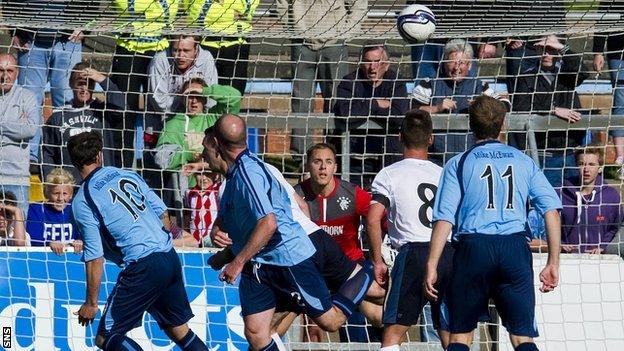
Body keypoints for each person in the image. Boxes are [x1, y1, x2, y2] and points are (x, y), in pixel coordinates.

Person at [202, 114, 374, 350]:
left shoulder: (248, 173)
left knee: (331, 322)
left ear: (216, 144)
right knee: (256, 332)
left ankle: (367, 271)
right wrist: (224, 253)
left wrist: (237, 262)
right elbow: (245, 224)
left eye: (204, 148)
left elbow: (268, 223)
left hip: (289, 258)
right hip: (263, 262)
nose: (202, 155)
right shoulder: (233, 178)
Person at [424, 96, 562, 351]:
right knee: (522, 338)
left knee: (460, 336)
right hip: (514, 248)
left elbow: (444, 217)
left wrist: (432, 264)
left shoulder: (459, 162)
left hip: (473, 248)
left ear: (470, 125)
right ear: (503, 125)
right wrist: (553, 262)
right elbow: (551, 211)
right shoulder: (524, 161)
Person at [69, 131, 208, 351]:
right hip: (168, 257)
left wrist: (91, 303)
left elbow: (95, 257)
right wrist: (170, 238)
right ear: (99, 156)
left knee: (106, 338)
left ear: (74, 161)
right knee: (178, 328)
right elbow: (163, 214)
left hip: (142, 266)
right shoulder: (127, 174)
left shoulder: (82, 201)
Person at [366, 109, 453, 349]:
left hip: (413, 254)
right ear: (431, 139)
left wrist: (377, 261)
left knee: (392, 335)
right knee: (449, 334)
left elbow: (373, 219)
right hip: (446, 252)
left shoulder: (389, 174)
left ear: (399, 138)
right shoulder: (445, 173)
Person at [295, 142, 381, 342]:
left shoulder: (352, 194)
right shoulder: (296, 195)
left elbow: (378, 220)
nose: (323, 167)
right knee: (300, 326)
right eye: (317, 162)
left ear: (335, 167)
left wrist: (381, 252)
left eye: (328, 162)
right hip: (314, 271)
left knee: (365, 319)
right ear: (308, 165)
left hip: (349, 270)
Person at [275, 0, 366, 157]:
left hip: (334, 44)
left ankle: (334, 153)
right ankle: (302, 158)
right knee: (301, 102)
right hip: (302, 42)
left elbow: (359, 4)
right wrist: (294, 28)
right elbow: (282, 3)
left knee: (337, 101)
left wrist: (345, 33)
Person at [411, 39, 510, 165]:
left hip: (471, 159)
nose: (456, 67)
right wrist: (436, 108)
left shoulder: (479, 86)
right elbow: (411, 109)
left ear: (469, 65)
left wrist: (482, 105)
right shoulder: (429, 83)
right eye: (452, 62)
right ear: (444, 63)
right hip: (436, 160)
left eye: (462, 63)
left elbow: (505, 104)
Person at [511, 35, 590, 188]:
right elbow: (521, 108)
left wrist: (562, 48)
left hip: (570, 152)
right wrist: (553, 110)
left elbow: (584, 72)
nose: (546, 54)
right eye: (543, 49)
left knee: (573, 202)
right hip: (544, 153)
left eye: (551, 49)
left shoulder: (567, 75)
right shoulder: (526, 76)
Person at [111, 0, 179, 168]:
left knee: (160, 110)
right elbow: (124, 6)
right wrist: (152, 8)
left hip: (159, 50)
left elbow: (170, 10)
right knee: (124, 112)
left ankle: (157, 167)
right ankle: (122, 168)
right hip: (128, 49)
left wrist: (145, 10)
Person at [333, 44, 409, 188]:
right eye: (368, 61)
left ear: (386, 65)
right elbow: (345, 113)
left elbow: (398, 117)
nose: (372, 67)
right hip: (355, 157)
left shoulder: (396, 82)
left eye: (377, 61)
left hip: (387, 158)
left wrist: (363, 108)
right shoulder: (349, 81)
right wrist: (375, 104)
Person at [42, 62, 124, 181]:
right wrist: (52, 181)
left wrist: (102, 79)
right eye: (80, 83)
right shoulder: (58, 116)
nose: (84, 88)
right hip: (70, 186)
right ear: (71, 84)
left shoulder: (103, 111)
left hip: (101, 182)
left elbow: (122, 107)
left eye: (89, 83)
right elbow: (47, 153)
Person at [154, 78, 241, 187]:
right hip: (187, 190)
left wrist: (206, 91)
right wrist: (187, 154)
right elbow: (161, 159)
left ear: (205, 99)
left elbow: (235, 97)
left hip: (219, 187)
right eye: (189, 96)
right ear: (182, 99)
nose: (194, 101)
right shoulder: (174, 125)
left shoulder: (214, 118)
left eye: (198, 96)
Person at [183, 0, 259, 95]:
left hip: (237, 44)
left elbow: (247, 8)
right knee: (197, 95)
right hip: (205, 44)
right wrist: (230, 14)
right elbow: (196, 11)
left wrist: (218, 11)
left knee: (232, 99)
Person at [559, 145, 623, 254]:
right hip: (567, 258)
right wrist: (559, 244)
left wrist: (604, 246)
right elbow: (547, 225)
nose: (586, 169)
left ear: (600, 168)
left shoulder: (611, 196)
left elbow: (617, 227)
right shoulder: (560, 192)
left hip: (600, 260)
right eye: (581, 164)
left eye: (591, 164)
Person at [0, 53, 41, 218]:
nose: (5, 76)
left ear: (17, 73)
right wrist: (16, 126)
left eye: (10, 70)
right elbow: (24, 129)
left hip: (17, 177)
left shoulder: (27, 97)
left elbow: (31, 129)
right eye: (0, 70)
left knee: (19, 233)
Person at [148, 35, 218, 114]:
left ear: (196, 49)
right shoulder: (160, 60)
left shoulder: (206, 59)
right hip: (163, 117)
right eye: (176, 50)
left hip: (199, 116)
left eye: (186, 51)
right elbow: (159, 101)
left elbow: (211, 99)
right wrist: (186, 103)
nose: (180, 56)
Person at [26, 168, 82, 254]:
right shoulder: (36, 209)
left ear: (71, 195)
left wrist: (80, 241)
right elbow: (33, 237)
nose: (60, 198)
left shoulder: (76, 208)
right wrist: (49, 243)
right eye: (56, 193)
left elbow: (86, 233)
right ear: (47, 193)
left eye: (64, 194)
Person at [593, 29, 624, 179]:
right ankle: (621, 160)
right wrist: (598, 52)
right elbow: (602, 17)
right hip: (618, 50)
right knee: (620, 101)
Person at [183, 167, 223, 248]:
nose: (204, 178)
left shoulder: (218, 190)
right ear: (194, 175)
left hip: (211, 238)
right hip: (194, 240)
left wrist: (199, 165)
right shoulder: (189, 193)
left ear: (215, 175)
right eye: (199, 174)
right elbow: (187, 216)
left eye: (208, 173)